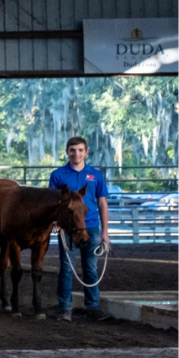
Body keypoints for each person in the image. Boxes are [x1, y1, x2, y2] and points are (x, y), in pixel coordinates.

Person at [50, 136, 111, 322]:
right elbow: (53, 202)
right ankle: (64, 307)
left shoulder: (96, 175)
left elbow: (102, 203)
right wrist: (55, 222)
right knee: (66, 268)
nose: (76, 154)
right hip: (68, 229)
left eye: (80, 150)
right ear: (67, 152)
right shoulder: (58, 175)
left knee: (90, 268)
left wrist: (105, 232)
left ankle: (92, 307)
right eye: (72, 150)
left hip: (90, 226)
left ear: (86, 152)